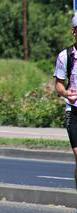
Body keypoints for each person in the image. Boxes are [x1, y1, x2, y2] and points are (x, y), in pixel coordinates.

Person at [54, 13, 77, 190]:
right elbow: (59, 85)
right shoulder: (65, 56)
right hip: (74, 111)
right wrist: (65, 93)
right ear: (73, 31)